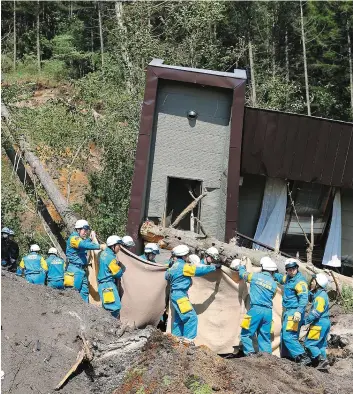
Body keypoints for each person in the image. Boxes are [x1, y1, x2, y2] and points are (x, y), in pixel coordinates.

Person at [165, 244, 220, 344]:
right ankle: (188, 343)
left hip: (174, 295)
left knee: (179, 320)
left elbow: (166, 276)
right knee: (191, 318)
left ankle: (175, 343)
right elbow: (199, 270)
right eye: (187, 255)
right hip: (181, 296)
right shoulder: (184, 267)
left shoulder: (172, 267)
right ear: (184, 256)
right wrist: (213, 267)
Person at [231, 256, 278, 355]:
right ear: (272, 271)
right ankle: (267, 358)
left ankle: (250, 354)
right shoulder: (274, 284)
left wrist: (242, 266)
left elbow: (243, 274)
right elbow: (272, 296)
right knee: (264, 336)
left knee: (246, 333)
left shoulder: (254, 276)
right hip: (268, 313)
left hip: (255, 310)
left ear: (262, 267)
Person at [274, 258, 310, 365]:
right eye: (289, 269)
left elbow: (304, 298)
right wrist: (272, 273)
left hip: (294, 312)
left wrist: (298, 311)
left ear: (297, 268)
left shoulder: (300, 282)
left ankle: (303, 356)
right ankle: (288, 358)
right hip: (289, 311)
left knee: (289, 336)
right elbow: (281, 278)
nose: (291, 271)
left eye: (293, 269)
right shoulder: (289, 278)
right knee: (285, 334)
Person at [65, 219, 101, 302]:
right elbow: (83, 244)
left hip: (81, 270)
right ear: (78, 229)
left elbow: (84, 243)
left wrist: (90, 239)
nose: (86, 232)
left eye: (87, 230)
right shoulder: (74, 239)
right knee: (72, 295)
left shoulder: (79, 239)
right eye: (84, 230)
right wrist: (98, 246)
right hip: (74, 270)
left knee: (84, 293)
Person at [304, 273, 331, 370]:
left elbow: (316, 312)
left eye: (313, 281)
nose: (311, 283)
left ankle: (322, 360)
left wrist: (305, 321)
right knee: (320, 345)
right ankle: (321, 364)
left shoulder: (320, 297)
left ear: (318, 284)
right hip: (325, 322)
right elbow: (311, 297)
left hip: (319, 323)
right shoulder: (321, 294)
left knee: (309, 343)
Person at [98, 235, 125, 318]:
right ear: (113, 246)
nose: (119, 248)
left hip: (103, 285)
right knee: (115, 308)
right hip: (108, 285)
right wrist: (121, 267)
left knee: (106, 308)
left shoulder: (104, 253)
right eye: (118, 245)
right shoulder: (111, 258)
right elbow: (118, 273)